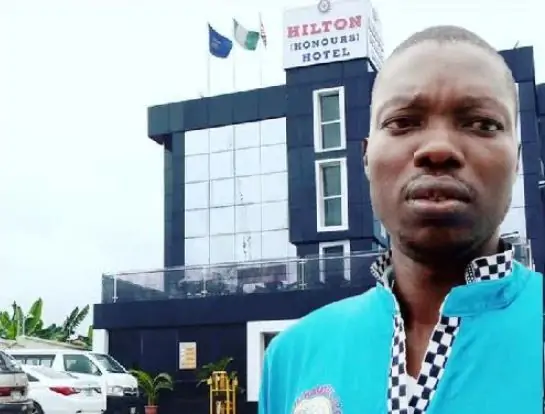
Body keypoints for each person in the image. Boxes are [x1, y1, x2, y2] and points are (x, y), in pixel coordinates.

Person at [258, 26, 543, 414]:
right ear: (365, 158)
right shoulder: (291, 356)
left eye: (481, 123)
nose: (438, 149)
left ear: (517, 160)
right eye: (403, 122)